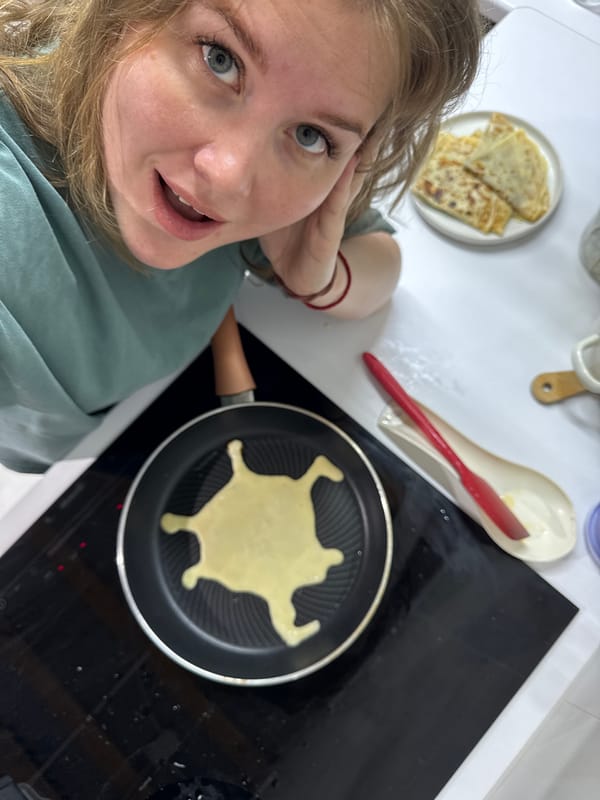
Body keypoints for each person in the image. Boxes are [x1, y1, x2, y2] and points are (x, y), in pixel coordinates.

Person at [0, 0, 482, 473]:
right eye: (220, 59)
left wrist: (321, 278)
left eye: (312, 135)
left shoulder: (286, 193)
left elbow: (382, 260)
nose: (230, 178)